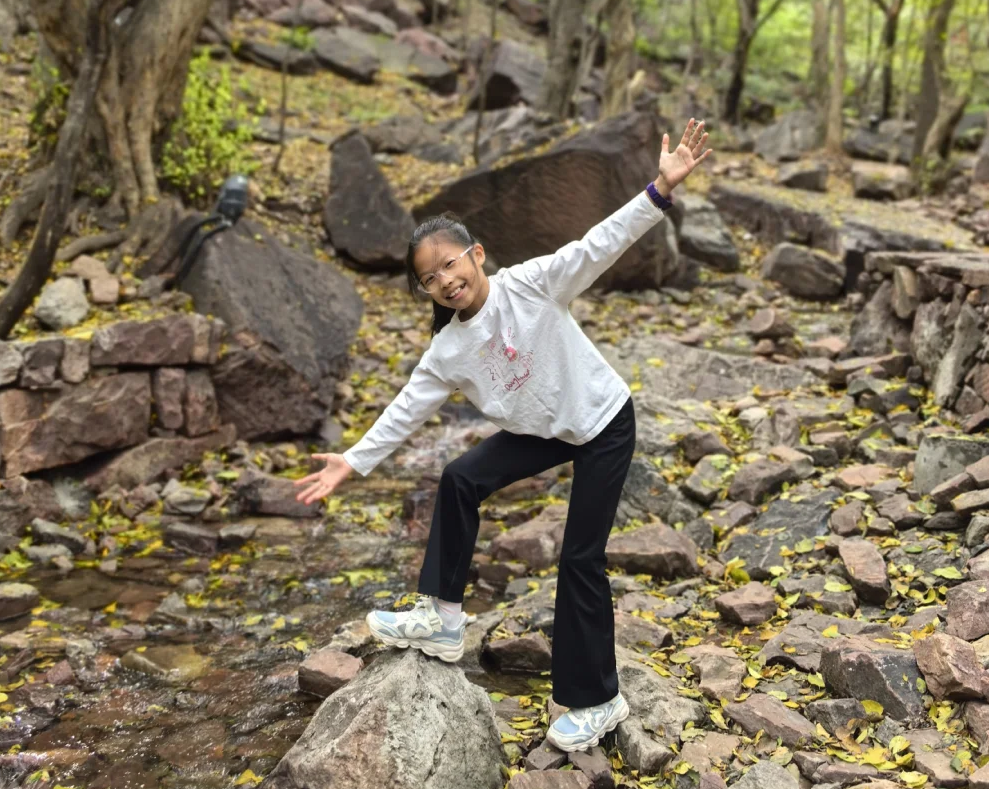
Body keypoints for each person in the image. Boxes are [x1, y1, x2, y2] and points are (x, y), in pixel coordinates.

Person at [295, 118, 712, 751]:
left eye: (450, 265)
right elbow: (407, 407)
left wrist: (659, 189)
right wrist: (352, 462)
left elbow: (599, 243)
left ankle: (596, 699)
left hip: (600, 421)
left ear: (476, 255)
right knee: (461, 477)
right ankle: (440, 617)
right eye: (429, 279)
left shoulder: (535, 284)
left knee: (578, 558)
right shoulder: (449, 349)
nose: (444, 282)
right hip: (544, 429)